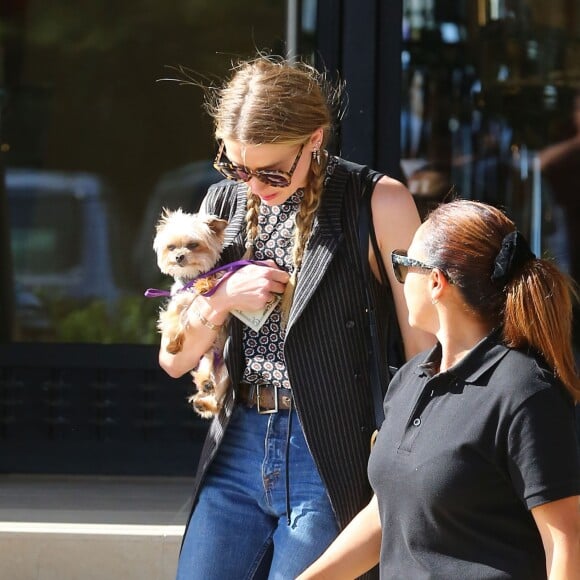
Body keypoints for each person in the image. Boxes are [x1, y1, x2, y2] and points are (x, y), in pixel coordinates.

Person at [158, 56, 434, 579]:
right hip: (236, 442)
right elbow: (174, 362)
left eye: (271, 171)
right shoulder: (222, 204)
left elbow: (425, 355)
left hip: (331, 451)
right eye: (238, 167)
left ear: (314, 138)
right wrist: (219, 301)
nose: (254, 186)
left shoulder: (378, 202)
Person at [298, 199, 580, 580]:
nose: (398, 277)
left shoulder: (524, 392)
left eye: (402, 266)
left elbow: (566, 542)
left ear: (436, 282)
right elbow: (389, 509)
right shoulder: (411, 377)